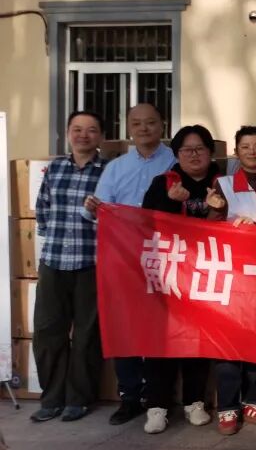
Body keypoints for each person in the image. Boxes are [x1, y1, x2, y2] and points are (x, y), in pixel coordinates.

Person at [83, 102, 175, 426]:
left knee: (159, 327)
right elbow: (99, 210)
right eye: (137, 123)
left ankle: (158, 397)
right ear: (129, 128)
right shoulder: (115, 168)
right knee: (125, 326)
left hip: (163, 258)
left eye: (150, 122)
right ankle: (130, 396)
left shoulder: (175, 162)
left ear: (162, 125)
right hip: (122, 259)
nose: (144, 129)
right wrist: (93, 208)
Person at [140, 125, 221, 434]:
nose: (194, 155)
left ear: (210, 152)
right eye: (187, 150)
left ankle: (194, 402)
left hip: (206, 275)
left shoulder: (222, 184)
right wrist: (172, 203)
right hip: (168, 275)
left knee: (197, 339)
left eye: (200, 148)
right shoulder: (163, 183)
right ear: (176, 154)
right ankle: (156, 406)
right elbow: (145, 225)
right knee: (161, 339)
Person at [30, 111, 108, 423]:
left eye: (91, 130)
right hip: (53, 262)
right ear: (67, 133)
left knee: (87, 334)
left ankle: (79, 399)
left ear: (101, 136)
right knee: (47, 331)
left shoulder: (108, 171)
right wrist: (54, 237)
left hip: (91, 263)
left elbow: (115, 215)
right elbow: (43, 209)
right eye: (77, 129)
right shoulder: (56, 168)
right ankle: (51, 399)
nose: (83, 135)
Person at [205, 126, 256, 435]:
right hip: (231, 276)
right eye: (245, 147)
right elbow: (208, 229)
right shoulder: (223, 184)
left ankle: (253, 400)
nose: (252, 152)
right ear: (236, 152)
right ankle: (227, 406)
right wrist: (218, 214)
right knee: (227, 340)